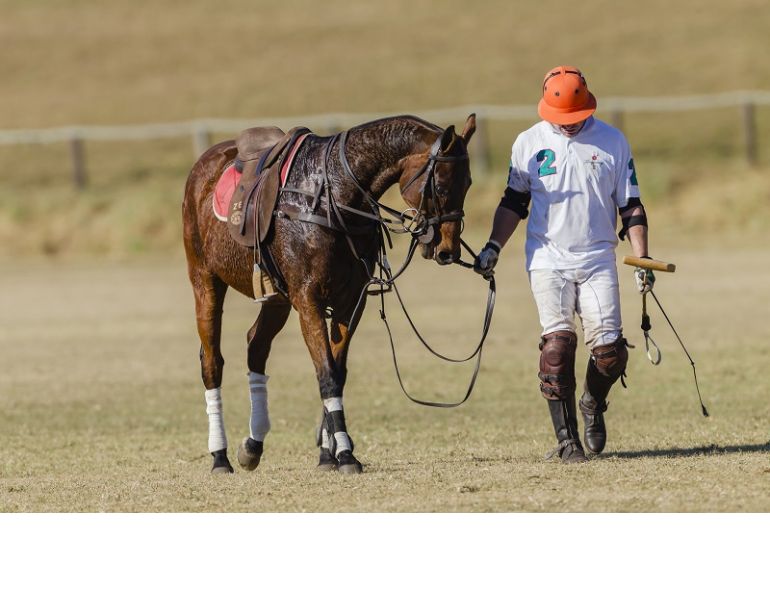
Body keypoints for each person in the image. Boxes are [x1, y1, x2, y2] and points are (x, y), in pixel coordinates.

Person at [474, 65, 655, 463]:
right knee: (557, 347)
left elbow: (631, 205)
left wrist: (643, 259)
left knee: (610, 354)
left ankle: (592, 402)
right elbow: (513, 202)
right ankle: (567, 441)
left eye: (576, 119)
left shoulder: (612, 141)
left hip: (597, 257)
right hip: (546, 257)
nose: (569, 127)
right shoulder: (528, 143)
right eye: (562, 121)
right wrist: (492, 246)